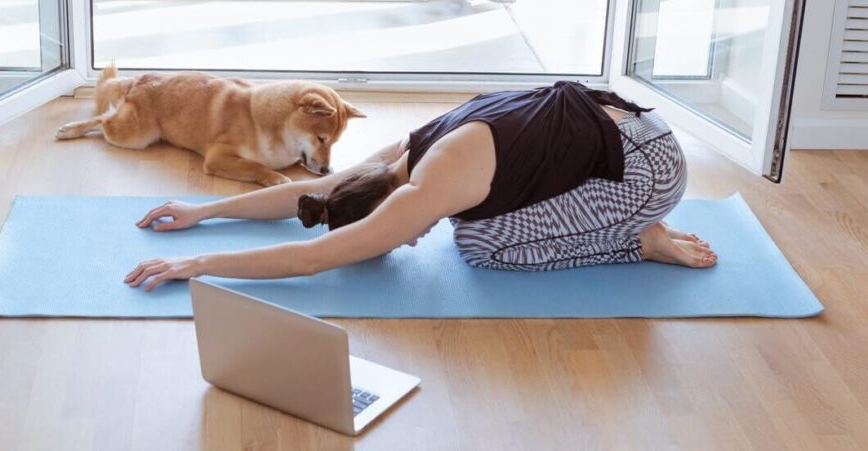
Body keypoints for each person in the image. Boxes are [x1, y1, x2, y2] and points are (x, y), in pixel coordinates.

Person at [125, 81, 716, 292]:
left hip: (649, 173)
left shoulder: (423, 189)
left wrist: (200, 264)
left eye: (390, 236)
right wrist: (204, 212)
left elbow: (311, 258)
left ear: (386, 212)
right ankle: (624, 222)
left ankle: (640, 239)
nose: (406, 244)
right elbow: (311, 201)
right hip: (639, 124)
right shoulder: (407, 152)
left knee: (481, 243)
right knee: (479, 210)